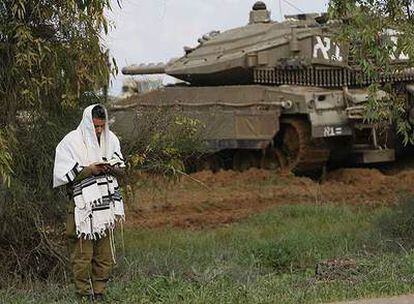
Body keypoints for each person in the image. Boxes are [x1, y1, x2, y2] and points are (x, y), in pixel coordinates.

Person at [53, 104, 126, 302]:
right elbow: (62, 176)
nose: (99, 130)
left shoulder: (111, 140)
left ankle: (99, 293)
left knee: (104, 256)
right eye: (95, 126)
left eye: (102, 126)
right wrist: (89, 170)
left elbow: (122, 169)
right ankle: (84, 295)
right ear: (87, 123)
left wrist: (109, 168)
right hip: (82, 209)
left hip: (106, 209)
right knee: (82, 256)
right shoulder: (71, 142)